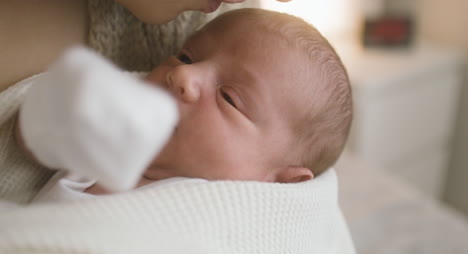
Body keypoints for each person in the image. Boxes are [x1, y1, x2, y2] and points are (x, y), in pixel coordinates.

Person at [19, 8, 352, 201]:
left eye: (229, 98)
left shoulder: (234, 214)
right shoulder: (117, 123)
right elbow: (37, 139)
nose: (183, 75)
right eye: (186, 55)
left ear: (281, 183)